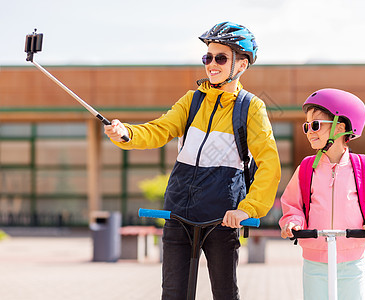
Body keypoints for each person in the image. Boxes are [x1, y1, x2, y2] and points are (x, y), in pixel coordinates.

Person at [104, 21, 281, 300]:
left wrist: (248, 209)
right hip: (179, 213)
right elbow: (159, 129)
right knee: (173, 294)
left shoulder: (251, 107)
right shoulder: (192, 101)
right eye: (207, 57)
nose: (211, 64)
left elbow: (269, 166)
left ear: (242, 65)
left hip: (222, 219)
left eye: (220, 58)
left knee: (224, 293)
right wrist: (126, 133)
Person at [278, 88, 365, 300]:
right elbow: (292, 205)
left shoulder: (362, 167)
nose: (309, 132)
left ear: (340, 127)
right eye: (307, 126)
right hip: (315, 262)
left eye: (315, 125)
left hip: (352, 261)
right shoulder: (306, 168)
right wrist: (293, 222)